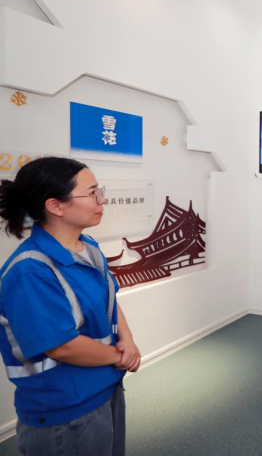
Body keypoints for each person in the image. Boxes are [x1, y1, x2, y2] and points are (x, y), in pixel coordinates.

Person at [0, 157, 140, 456]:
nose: (102, 200)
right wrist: (121, 356)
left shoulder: (88, 248)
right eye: (92, 193)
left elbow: (110, 298)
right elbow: (61, 346)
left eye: (99, 191)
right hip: (64, 408)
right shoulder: (30, 271)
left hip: (104, 386)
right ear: (55, 206)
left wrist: (128, 340)